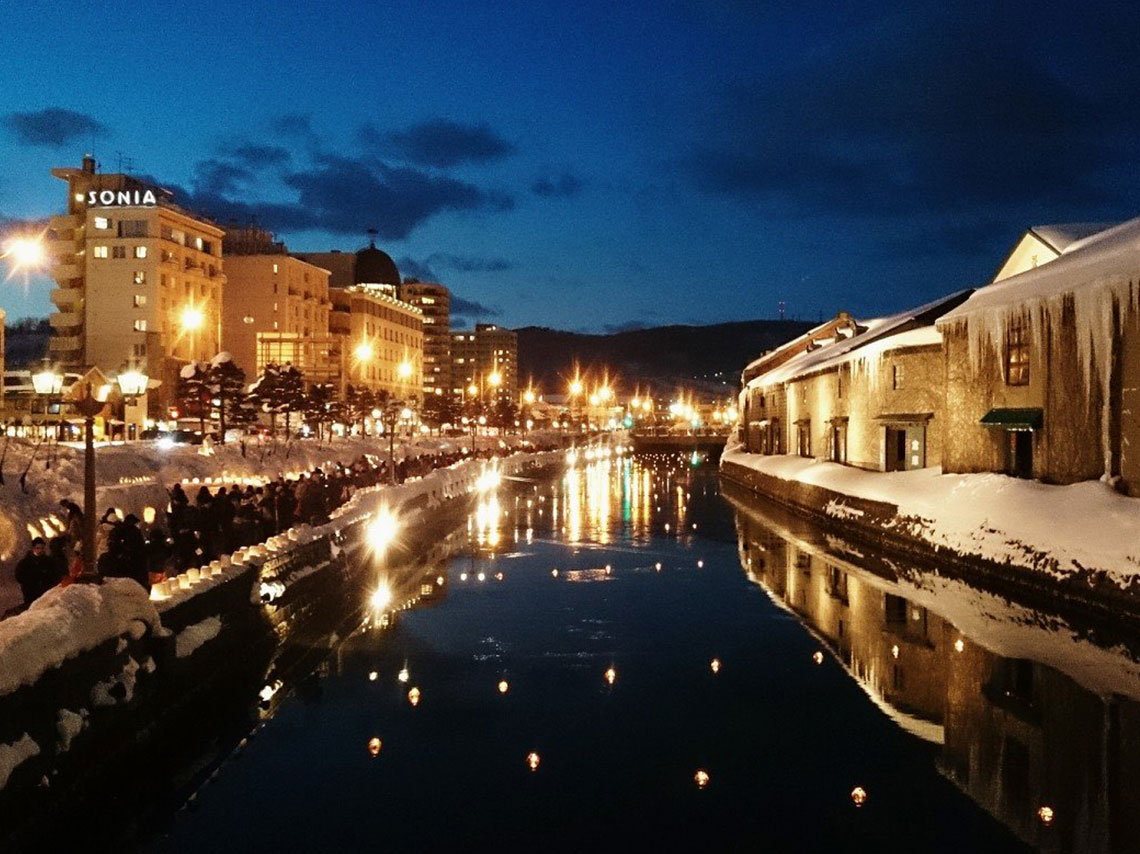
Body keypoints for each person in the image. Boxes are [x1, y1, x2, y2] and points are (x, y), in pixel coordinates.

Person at [14, 537, 60, 606]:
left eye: (42, 548)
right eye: (38, 548)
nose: (40, 550)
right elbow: (19, 575)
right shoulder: (25, 562)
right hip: (30, 594)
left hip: (45, 593)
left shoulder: (49, 561)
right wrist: (28, 582)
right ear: (33, 549)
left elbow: (54, 575)